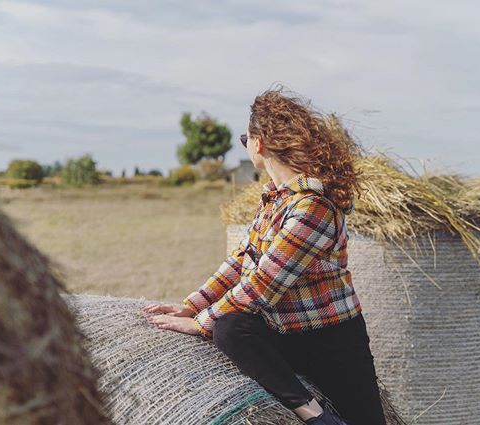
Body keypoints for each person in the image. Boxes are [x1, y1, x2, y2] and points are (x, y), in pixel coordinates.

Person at [141, 86, 387, 425]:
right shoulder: (274, 199)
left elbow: (263, 284)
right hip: (286, 331)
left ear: (259, 144)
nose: (245, 144)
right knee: (229, 327)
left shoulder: (313, 206)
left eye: (245, 138)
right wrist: (193, 305)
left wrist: (198, 324)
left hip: (332, 341)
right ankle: (315, 416)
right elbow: (242, 261)